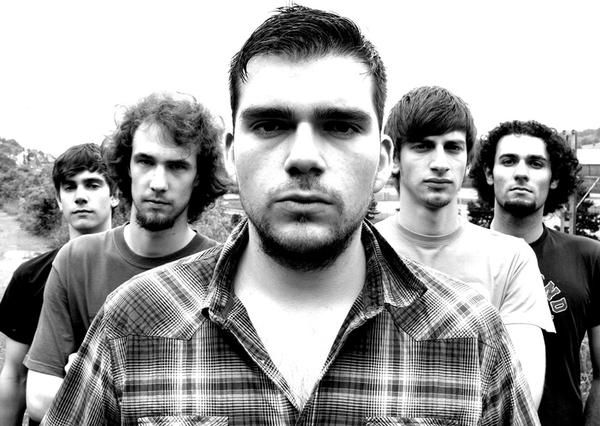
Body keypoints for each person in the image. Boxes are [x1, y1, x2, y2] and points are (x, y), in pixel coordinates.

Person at [43, 6, 539, 425]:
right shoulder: (135, 320)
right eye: (270, 124)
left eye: (340, 126)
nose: (304, 156)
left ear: (384, 159)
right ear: (232, 154)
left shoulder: (469, 334)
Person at [24, 93, 230, 423]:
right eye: (145, 161)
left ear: (198, 177)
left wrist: (92, 382)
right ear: (127, 167)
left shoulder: (222, 270)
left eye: (177, 166)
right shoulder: (77, 260)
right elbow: (38, 397)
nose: (158, 183)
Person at [375, 86, 554, 406]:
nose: (439, 163)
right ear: (395, 159)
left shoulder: (511, 259)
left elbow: (519, 396)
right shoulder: (362, 251)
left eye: (453, 148)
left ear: (468, 161)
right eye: (422, 146)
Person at [470, 119, 600, 425]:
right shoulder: (456, 254)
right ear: (489, 173)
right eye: (508, 161)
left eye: (536, 163)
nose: (521, 172)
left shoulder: (588, 257)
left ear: (554, 179)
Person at [0, 143, 118, 426]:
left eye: (92, 185)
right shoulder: (29, 277)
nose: (80, 196)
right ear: (58, 200)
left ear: (115, 195)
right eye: (69, 187)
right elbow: (15, 376)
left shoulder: (141, 272)